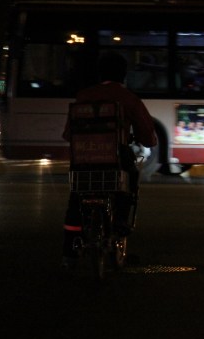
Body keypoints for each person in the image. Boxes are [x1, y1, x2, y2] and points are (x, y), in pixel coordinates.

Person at [61, 52, 157, 268]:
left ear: (99, 74)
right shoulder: (129, 99)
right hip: (115, 160)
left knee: (76, 199)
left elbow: (68, 134)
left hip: (83, 160)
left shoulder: (83, 95)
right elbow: (148, 137)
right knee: (130, 178)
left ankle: (69, 253)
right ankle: (121, 221)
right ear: (123, 75)